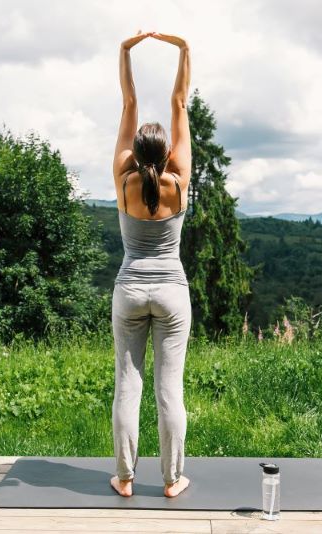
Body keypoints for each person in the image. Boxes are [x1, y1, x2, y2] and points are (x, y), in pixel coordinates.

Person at [109, 29, 192, 499]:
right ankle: (172, 479)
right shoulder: (178, 180)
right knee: (169, 389)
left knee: (128, 386)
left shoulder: (122, 180)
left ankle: (124, 477)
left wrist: (125, 51)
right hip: (171, 293)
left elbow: (128, 104)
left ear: (136, 154)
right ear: (164, 155)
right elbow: (179, 103)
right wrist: (183, 51)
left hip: (129, 291)